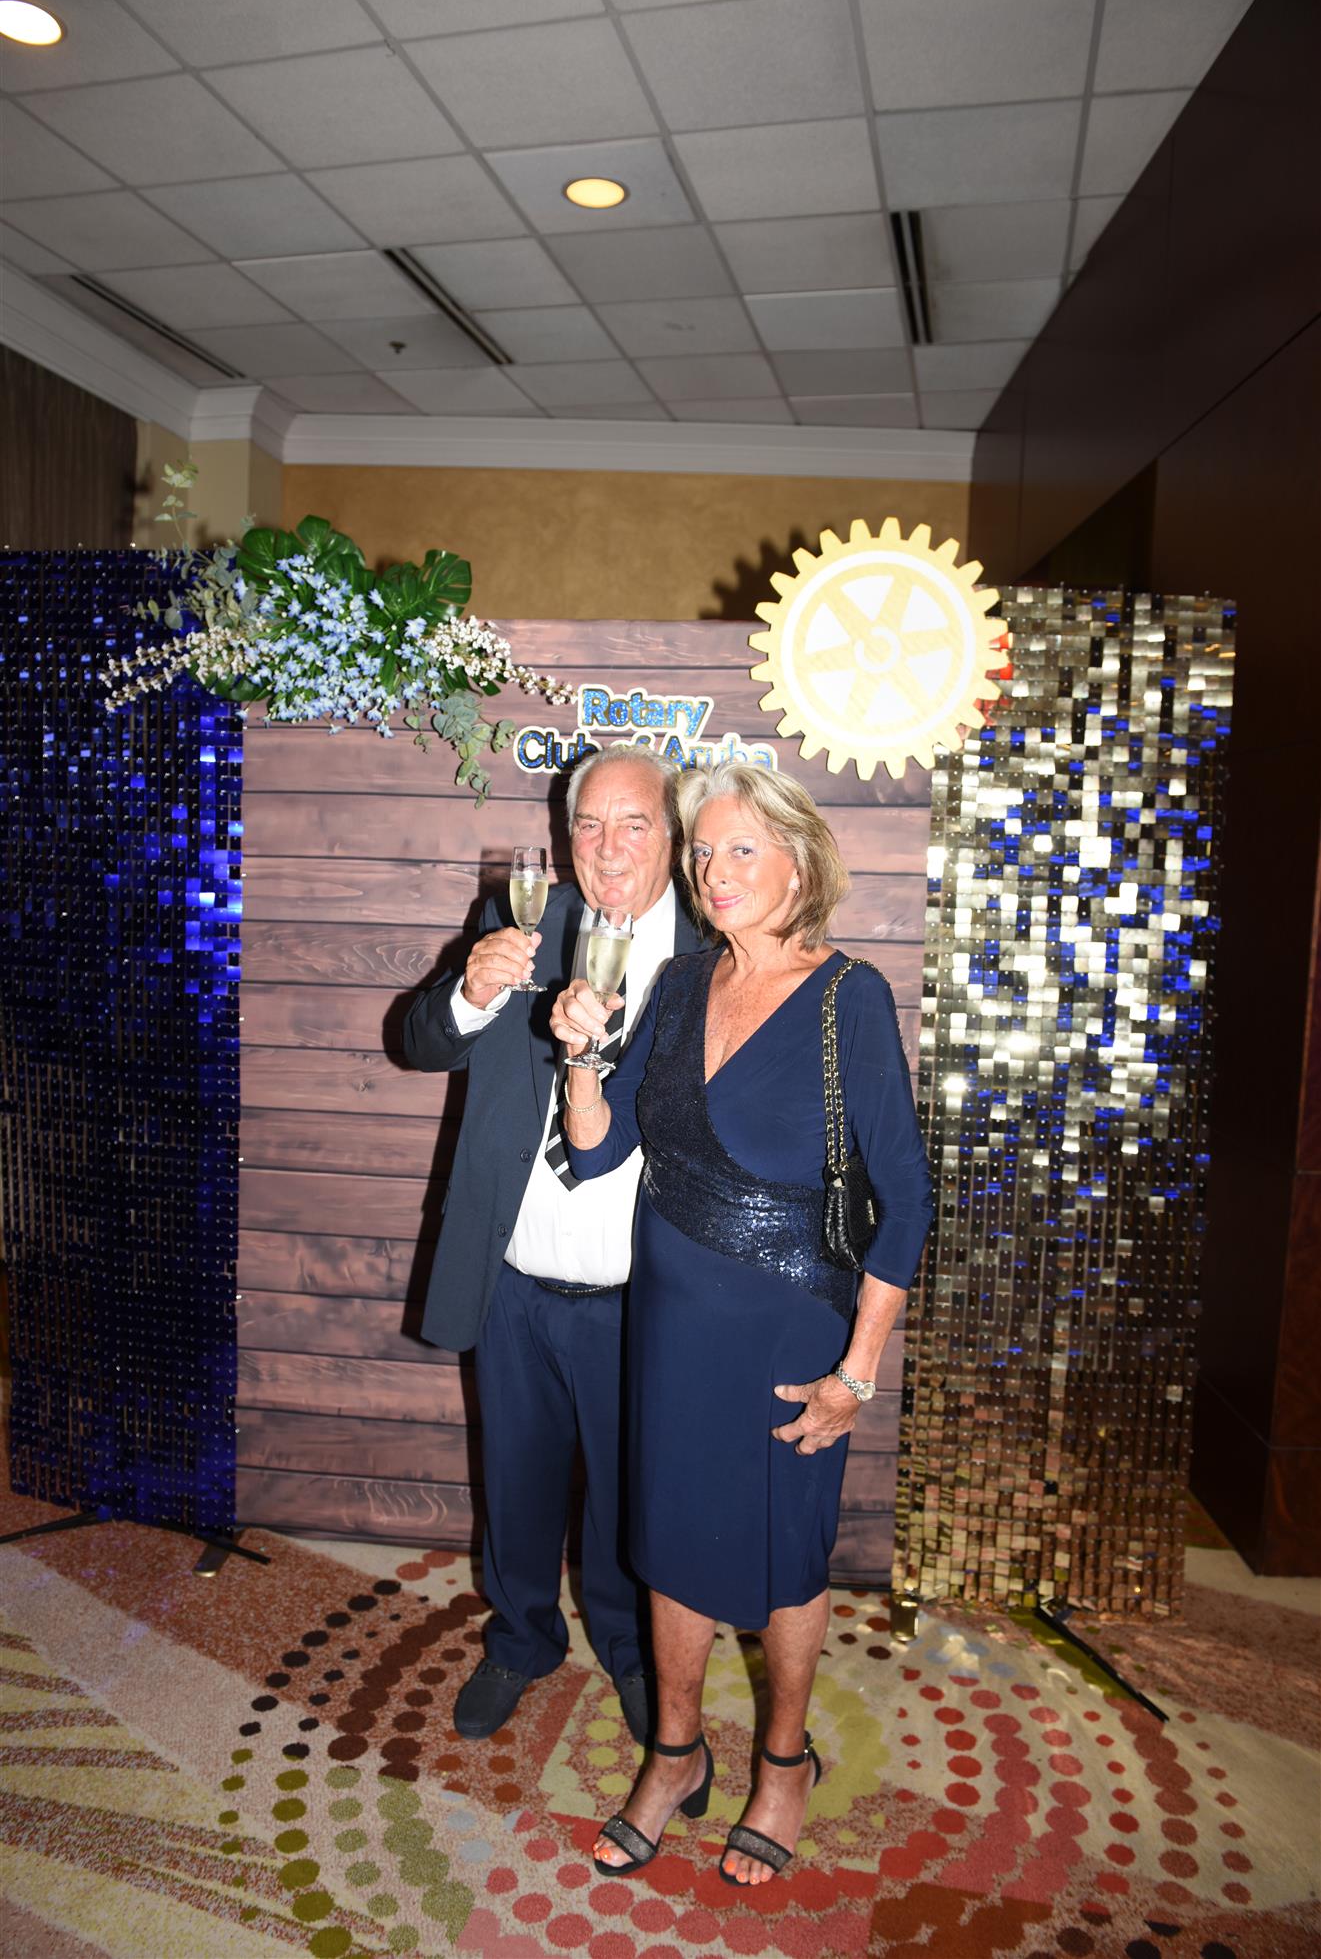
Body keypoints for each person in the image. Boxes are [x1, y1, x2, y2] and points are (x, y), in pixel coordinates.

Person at [551, 763, 932, 1885]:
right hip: (669, 1335)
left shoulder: (849, 997)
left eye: (741, 850)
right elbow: (599, 1151)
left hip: (788, 1343)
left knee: (783, 1564)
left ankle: (782, 1762)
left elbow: (906, 1200)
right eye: (703, 852)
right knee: (669, 1545)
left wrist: (855, 1373)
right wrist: (581, 1059)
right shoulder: (678, 983)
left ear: (799, 860)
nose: (715, 873)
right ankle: (673, 1757)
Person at [402, 745, 703, 1743]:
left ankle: (629, 1651)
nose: (608, 848)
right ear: (563, 839)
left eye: (634, 825)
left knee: (630, 1497)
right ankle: (521, 1639)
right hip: (517, 1283)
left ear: (672, 837)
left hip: (644, 1295)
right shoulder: (523, 920)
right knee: (517, 1482)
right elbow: (417, 1041)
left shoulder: (713, 950)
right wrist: (471, 994)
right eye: (588, 825)